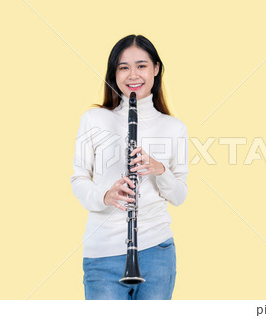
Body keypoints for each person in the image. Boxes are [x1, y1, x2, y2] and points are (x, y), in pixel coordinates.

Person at [69, 34, 189, 300]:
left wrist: (160, 170)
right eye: (123, 67)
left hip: (157, 252)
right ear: (114, 73)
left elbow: (179, 196)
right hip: (102, 254)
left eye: (141, 65)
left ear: (156, 68)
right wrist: (104, 195)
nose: (133, 75)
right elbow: (78, 178)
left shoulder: (174, 127)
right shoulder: (94, 119)